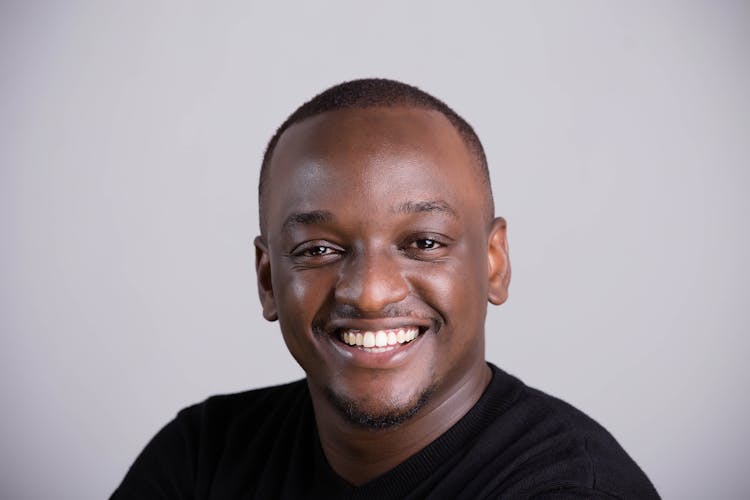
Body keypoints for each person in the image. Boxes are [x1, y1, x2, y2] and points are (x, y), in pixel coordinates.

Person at [111, 78, 659, 499]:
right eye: (319, 250)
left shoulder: (570, 489)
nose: (370, 293)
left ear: (494, 264)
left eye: (423, 243)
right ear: (267, 280)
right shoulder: (203, 457)